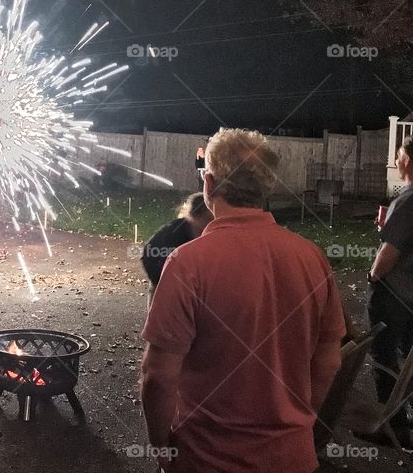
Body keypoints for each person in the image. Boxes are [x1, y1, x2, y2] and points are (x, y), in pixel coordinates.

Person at [140, 128, 345, 473]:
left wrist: (162, 446)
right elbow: (330, 360)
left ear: (209, 184)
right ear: (267, 188)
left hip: (206, 458)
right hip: (292, 457)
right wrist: (298, 418)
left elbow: (158, 375)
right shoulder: (312, 258)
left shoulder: (187, 263)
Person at [364, 135, 413, 448]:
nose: (396, 161)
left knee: (385, 357)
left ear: (408, 158)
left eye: (398, 155)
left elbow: (390, 252)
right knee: (409, 358)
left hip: (395, 293)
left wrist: (373, 275)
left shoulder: (408, 200)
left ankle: (391, 428)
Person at [141, 193, 213, 304]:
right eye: (208, 219)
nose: (210, 223)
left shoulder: (194, 227)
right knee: (163, 292)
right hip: (156, 259)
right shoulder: (176, 234)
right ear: (197, 216)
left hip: (162, 259)